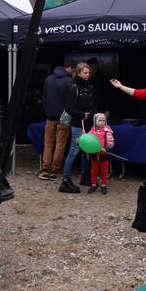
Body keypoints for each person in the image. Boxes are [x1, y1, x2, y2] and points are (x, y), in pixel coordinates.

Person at [59, 63, 95, 194]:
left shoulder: (89, 85)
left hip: (89, 123)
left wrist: (95, 115)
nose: (88, 75)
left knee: (87, 150)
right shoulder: (74, 87)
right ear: (79, 73)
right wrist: (82, 115)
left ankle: (85, 176)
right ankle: (65, 180)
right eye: (85, 73)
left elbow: (91, 103)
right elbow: (69, 108)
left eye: (89, 73)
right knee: (74, 150)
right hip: (78, 124)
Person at [39, 60, 74, 180]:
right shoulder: (69, 81)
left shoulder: (48, 79)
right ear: (69, 68)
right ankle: (54, 170)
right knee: (60, 144)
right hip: (63, 118)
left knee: (48, 144)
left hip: (49, 116)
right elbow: (70, 101)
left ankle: (45, 169)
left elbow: (43, 97)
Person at [86, 113, 116, 194]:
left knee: (104, 170)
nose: (102, 122)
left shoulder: (107, 131)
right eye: (100, 120)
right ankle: (93, 184)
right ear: (95, 121)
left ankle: (104, 185)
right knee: (93, 170)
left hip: (104, 154)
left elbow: (111, 142)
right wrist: (80, 141)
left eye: (103, 120)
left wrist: (106, 148)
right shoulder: (91, 131)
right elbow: (87, 140)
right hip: (94, 154)